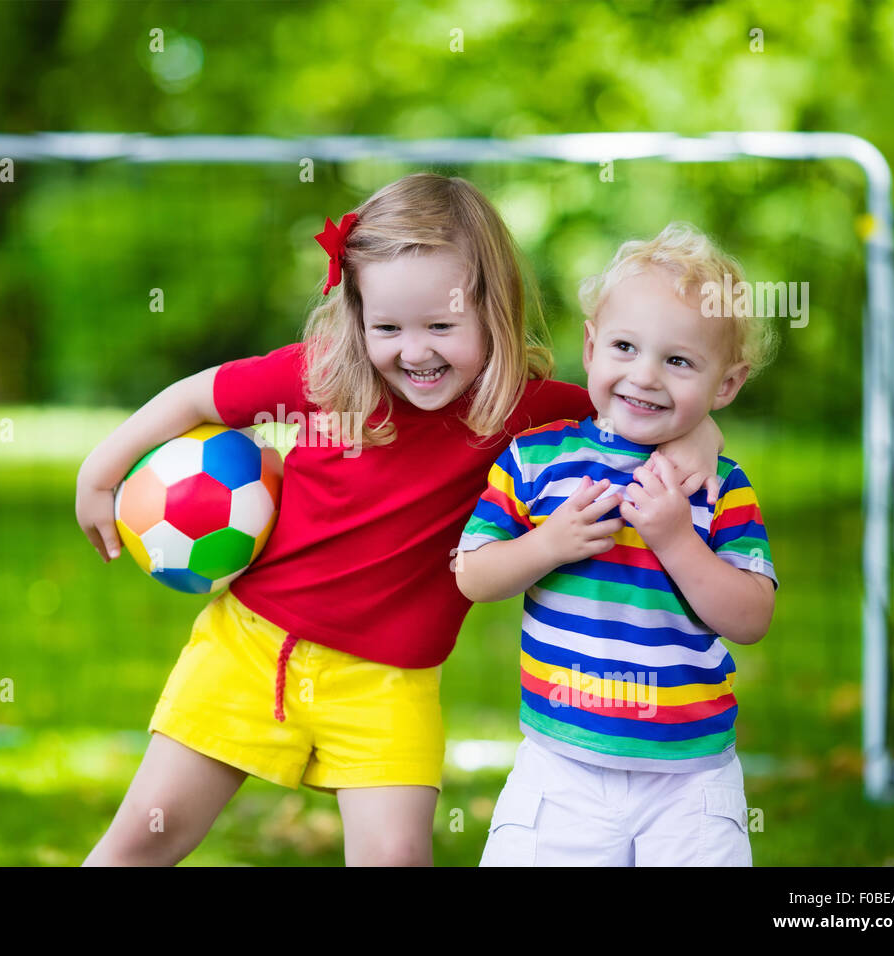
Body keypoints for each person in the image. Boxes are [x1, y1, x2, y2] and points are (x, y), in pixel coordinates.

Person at [74, 176, 722, 866]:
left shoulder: (523, 411)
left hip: (391, 683)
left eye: (441, 327)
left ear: (493, 313)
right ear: (357, 319)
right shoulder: (322, 377)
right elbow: (196, 393)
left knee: (396, 858)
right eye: (387, 328)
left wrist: (700, 434)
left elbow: (635, 408)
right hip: (250, 650)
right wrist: (101, 471)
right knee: (150, 831)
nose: (415, 352)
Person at [456, 221, 779, 866]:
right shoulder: (537, 459)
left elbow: (751, 618)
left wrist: (677, 541)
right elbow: (473, 574)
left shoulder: (718, 484)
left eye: (679, 360)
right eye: (625, 347)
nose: (646, 376)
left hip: (689, 776)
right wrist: (548, 545)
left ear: (727, 385)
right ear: (591, 344)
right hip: (560, 765)